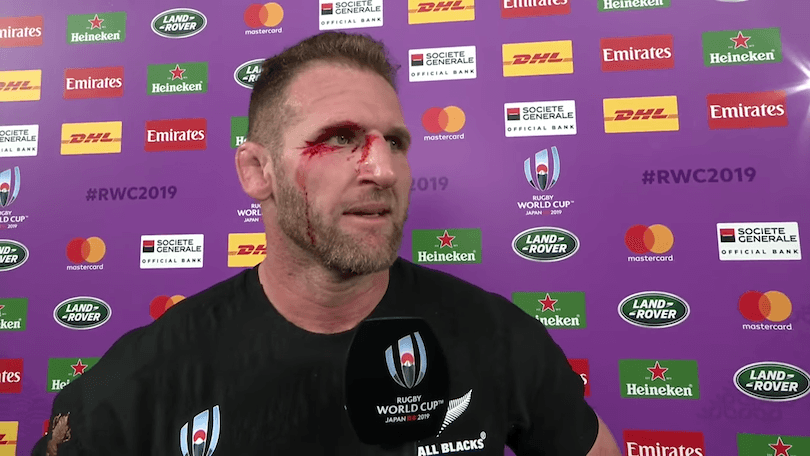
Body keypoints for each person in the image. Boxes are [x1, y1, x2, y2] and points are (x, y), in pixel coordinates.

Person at [33, 31, 621, 456]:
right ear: (256, 171)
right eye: (339, 138)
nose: (382, 170)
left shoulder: (497, 336)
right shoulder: (145, 376)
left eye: (395, 142)